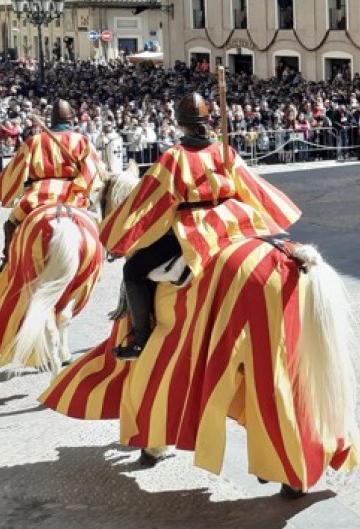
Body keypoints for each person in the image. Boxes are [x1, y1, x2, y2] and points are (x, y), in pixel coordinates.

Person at [102, 92, 302, 360]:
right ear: (208, 121)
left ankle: (140, 339)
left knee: (133, 269)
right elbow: (250, 186)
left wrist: (119, 236)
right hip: (233, 219)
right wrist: (276, 209)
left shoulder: (173, 158)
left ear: (179, 122)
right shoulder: (225, 150)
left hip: (195, 225)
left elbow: (148, 202)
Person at [0, 99, 102, 273]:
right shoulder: (81, 141)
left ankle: (7, 262)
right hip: (73, 195)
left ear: (51, 120)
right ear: (71, 119)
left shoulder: (35, 141)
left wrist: (6, 192)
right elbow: (94, 172)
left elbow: (16, 171)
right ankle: (97, 262)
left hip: (38, 195)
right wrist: (82, 187)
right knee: (95, 222)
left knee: (10, 224)